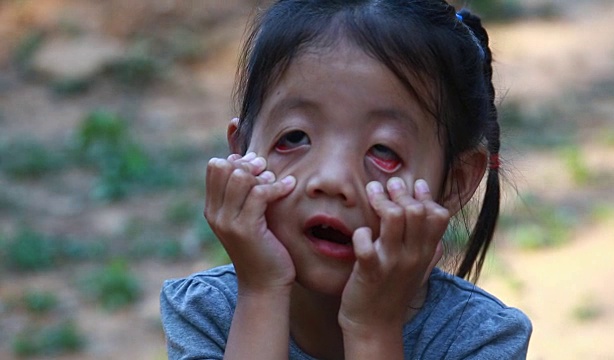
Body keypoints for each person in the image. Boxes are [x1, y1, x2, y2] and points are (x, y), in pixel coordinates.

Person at [160, 0, 533, 359]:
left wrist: (372, 330)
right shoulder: (206, 314)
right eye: (294, 138)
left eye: (384, 151)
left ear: (454, 182)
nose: (331, 179)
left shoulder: (477, 340)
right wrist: (261, 292)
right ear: (240, 154)